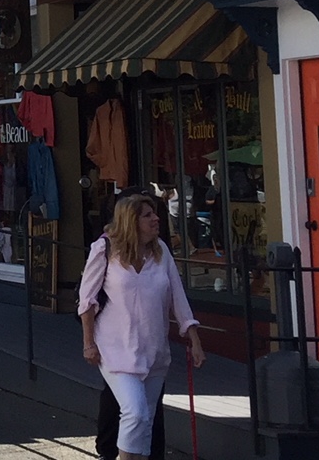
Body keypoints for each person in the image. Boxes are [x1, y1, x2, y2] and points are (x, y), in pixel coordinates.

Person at [80, 194, 205, 460]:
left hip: (154, 349)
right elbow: (87, 301)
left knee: (146, 419)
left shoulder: (161, 252)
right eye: (148, 215)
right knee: (135, 412)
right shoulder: (105, 250)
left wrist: (193, 338)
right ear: (131, 221)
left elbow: (178, 297)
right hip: (116, 348)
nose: (156, 218)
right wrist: (88, 343)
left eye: (155, 213)